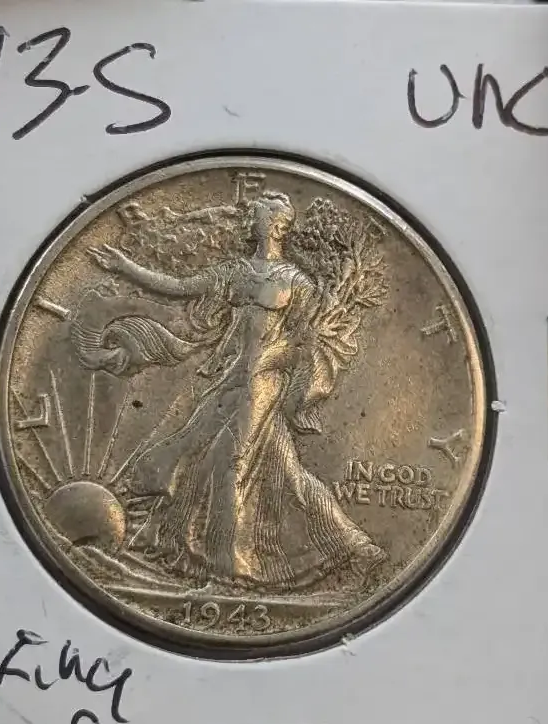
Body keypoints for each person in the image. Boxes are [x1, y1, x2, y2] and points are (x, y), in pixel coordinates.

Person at [75, 191, 386, 588]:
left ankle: (231, 564)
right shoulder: (235, 271)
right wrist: (127, 268)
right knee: (273, 467)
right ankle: (352, 548)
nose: (253, 221)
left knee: (230, 462)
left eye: (260, 216)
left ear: (277, 226)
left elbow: (306, 340)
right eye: (256, 215)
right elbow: (179, 286)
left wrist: (274, 358)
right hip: (228, 377)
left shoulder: (297, 282)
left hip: (263, 382)